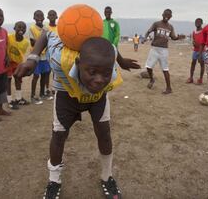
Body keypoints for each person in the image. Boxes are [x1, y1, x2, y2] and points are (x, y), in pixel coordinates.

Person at [14, 31, 140, 199]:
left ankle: (107, 176)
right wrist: (33, 58)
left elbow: (113, 50)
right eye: (92, 72)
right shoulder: (59, 58)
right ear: (78, 63)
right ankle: (54, 181)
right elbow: (46, 34)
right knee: (58, 136)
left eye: (106, 74)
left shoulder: (109, 52)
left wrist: (122, 62)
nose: (99, 80)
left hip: (96, 97)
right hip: (67, 94)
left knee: (104, 133)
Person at [144, 9, 185, 93]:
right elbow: (148, 31)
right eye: (165, 14)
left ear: (170, 17)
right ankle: (152, 79)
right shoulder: (156, 24)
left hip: (164, 50)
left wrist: (178, 37)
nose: (167, 16)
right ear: (162, 14)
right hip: (154, 49)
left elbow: (173, 37)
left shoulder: (170, 27)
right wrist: (145, 38)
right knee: (148, 67)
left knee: (165, 69)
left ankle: (169, 88)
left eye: (168, 15)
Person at [28, 10, 52, 104]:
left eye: (41, 16)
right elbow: (33, 42)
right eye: (37, 16)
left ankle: (42, 94)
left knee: (45, 74)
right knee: (36, 75)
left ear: (43, 18)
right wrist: (43, 41)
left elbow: (48, 40)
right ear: (34, 18)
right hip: (35, 55)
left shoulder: (46, 28)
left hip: (44, 55)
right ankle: (33, 96)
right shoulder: (32, 28)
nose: (39, 18)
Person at [6, 21, 30, 109]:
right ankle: (9, 100)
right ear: (14, 28)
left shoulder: (26, 42)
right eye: (19, 27)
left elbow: (20, 54)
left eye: (23, 28)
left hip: (18, 63)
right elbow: (5, 47)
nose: (21, 29)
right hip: (8, 62)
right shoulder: (9, 37)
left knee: (18, 79)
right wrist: (7, 57)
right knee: (7, 81)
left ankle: (19, 98)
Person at [186, 18, 205, 84]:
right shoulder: (194, 32)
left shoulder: (203, 31)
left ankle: (200, 79)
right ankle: (191, 78)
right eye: (196, 22)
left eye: (199, 22)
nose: (197, 23)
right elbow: (194, 40)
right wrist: (194, 44)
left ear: (202, 23)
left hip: (202, 51)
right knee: (193, 63)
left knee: (202, 64)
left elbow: (204, 42)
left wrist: (200, 51)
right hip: (195, 50)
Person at [45, 10, 58, 95]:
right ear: (48, 17)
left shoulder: (59, 27)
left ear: (56, 17)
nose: (52, 16)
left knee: (55, 71)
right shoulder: (45, 28)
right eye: (50, 15)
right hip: (47, 53)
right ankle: (47, 88)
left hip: (56, 52)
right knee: (47, 72)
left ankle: (54, 87)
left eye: (53, 15)